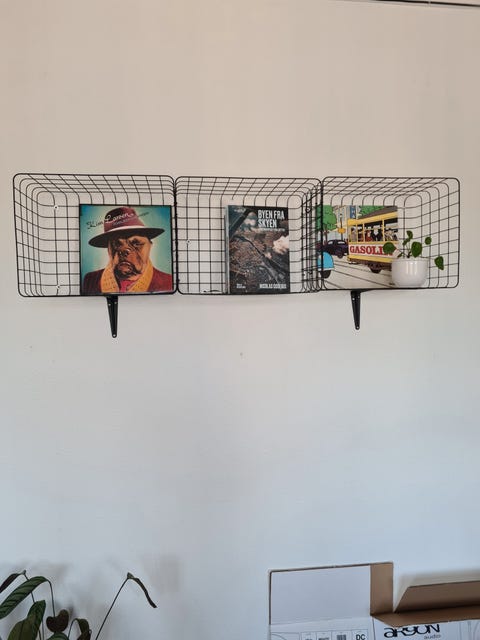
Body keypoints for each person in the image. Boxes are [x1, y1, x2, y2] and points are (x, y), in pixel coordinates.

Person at [82, 206, 173, 294]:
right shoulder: (90, 280)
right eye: (117, 244)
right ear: (108, 248)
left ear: (150, 246)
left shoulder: (167, 282)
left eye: (136, 243)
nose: (124, 250)